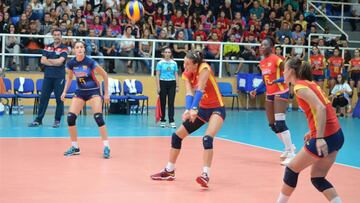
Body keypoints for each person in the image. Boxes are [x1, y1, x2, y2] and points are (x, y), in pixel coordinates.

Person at [151, 51, 226, 188]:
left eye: (187, 63)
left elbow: (200, 90)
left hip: (217, 108)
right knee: (176, 136)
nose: (184, 65)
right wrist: (187, 109)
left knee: (207, 138)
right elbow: (189, 92)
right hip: (203, 110)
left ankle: (205, 175)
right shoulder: (186, 73)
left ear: (195, 64)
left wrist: (194, 109)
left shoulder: (204, 68)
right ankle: (169, 170)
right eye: (184, 62)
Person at [276, 58, 344, 203]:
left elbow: (320, 108)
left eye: (285, 69)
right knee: (318, 178)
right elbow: (319, 109)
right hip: (337, 135)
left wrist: (318, 137)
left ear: (292, 71)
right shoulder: (310, 83)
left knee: (291, 169)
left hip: (325, 136)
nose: (283, 72)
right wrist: (312, 130)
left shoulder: (299, 87)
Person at [61, 41, 111, 159]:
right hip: (80, 92)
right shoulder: (71, 63)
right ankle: (75, 147)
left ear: (84, 49)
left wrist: (106, 93)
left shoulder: (90, 62)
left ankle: (106, 147)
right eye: (77, 47)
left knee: (98, 117)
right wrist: (64, 92)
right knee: (70, 118)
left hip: (93, 91)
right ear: (74, 50)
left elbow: (104, 75)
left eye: (81, 47)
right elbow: (69, 78)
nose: (79, 49)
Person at [250, 38, 296, 166]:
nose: (262, 47)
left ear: (272, 47)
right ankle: (289, 147)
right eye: (261, 45)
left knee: (280, 122)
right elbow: (265, 80)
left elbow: (289, 74)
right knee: (272, 124)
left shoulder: (277, 59)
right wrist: (256, 90)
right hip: (270, 93)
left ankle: (292, 154)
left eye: (265, 45)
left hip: (281, 91)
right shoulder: (262, 62)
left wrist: (276, 81)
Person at [29, 28, 68, 128]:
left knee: (59, 100)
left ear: (61, 36)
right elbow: (42, 60)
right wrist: (54, 61)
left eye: (58, 34)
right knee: (43, 98)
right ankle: (39, 120)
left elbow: (60, 62)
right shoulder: (47, 47)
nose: (56, 36)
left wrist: (49, 61)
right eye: (55, 34)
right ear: (53, 36)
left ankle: (57, 120)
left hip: (59, 77)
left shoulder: (65, 48)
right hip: (48, 77)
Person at [156, 47, 179, 128]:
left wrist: (177, 85)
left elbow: (176, 74)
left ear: (171, 54)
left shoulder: (174, 63)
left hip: (172, 83)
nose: (167, 54)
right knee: (163, 102)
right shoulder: (160, 63)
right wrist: (158, 86)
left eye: (169, 52)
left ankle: (171, 120)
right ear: (163, 53)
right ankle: (162, 120)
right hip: (163, 83)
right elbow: (157, 75)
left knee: (171, 103)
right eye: (166, 52)